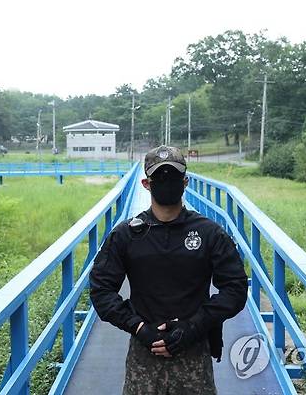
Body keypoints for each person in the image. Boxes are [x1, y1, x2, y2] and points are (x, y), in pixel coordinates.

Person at [89, 145, 248, 395]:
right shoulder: (126, 235)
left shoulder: (209, 233)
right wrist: (138, 327)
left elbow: (236, 288)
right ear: (146, 183)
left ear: (184, 182)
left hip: (194, 352)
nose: (167, 182)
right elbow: (100, 289)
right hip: (144, 354)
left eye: (172, 177)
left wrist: (194, 326)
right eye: (160, 177)